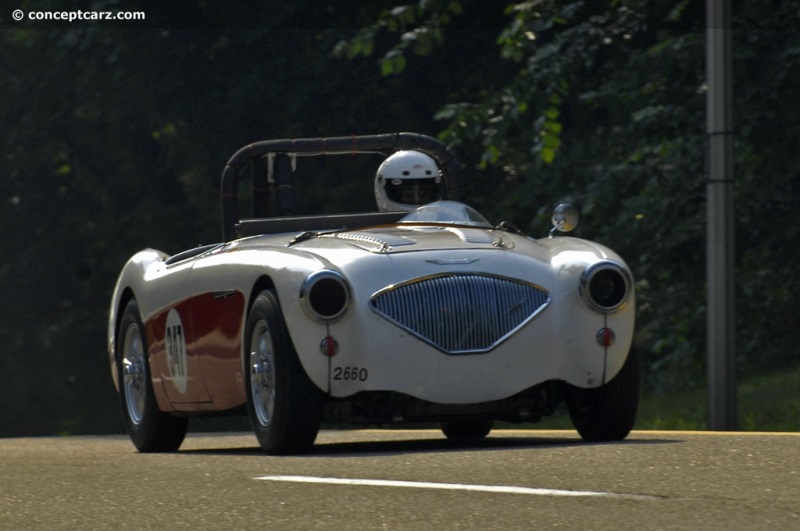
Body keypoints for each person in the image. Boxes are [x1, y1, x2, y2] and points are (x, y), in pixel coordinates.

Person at [374, 150, 443, 212]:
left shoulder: (447, 221)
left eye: (423, 194)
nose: (417, 198)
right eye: (409, 194)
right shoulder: (370, 225)